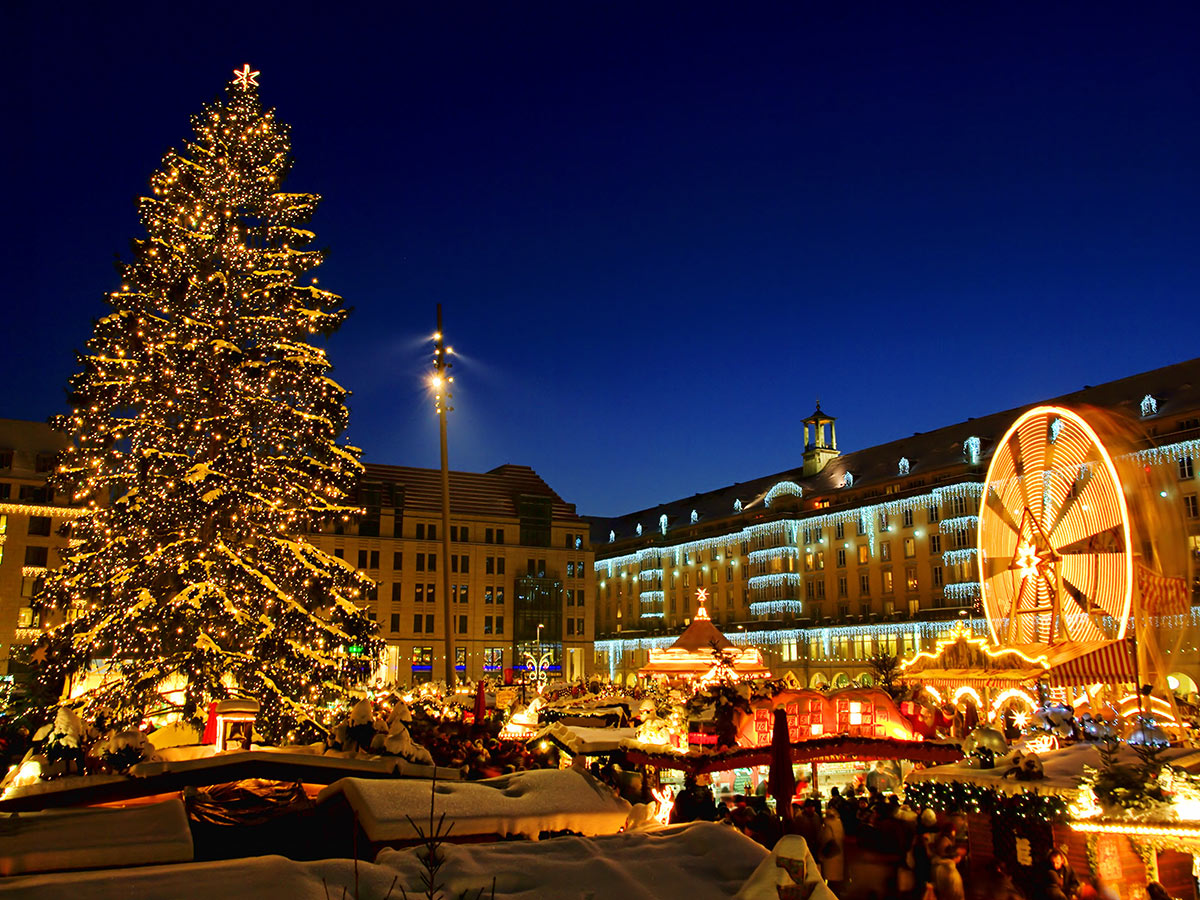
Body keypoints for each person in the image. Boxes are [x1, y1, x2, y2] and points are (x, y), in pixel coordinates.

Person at [817, 807, 845, 893]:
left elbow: (825, 838)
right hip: (839, 854)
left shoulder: (827, 825)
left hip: (830, 855)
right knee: (837, 878)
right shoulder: (839, 823)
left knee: (831, 879)